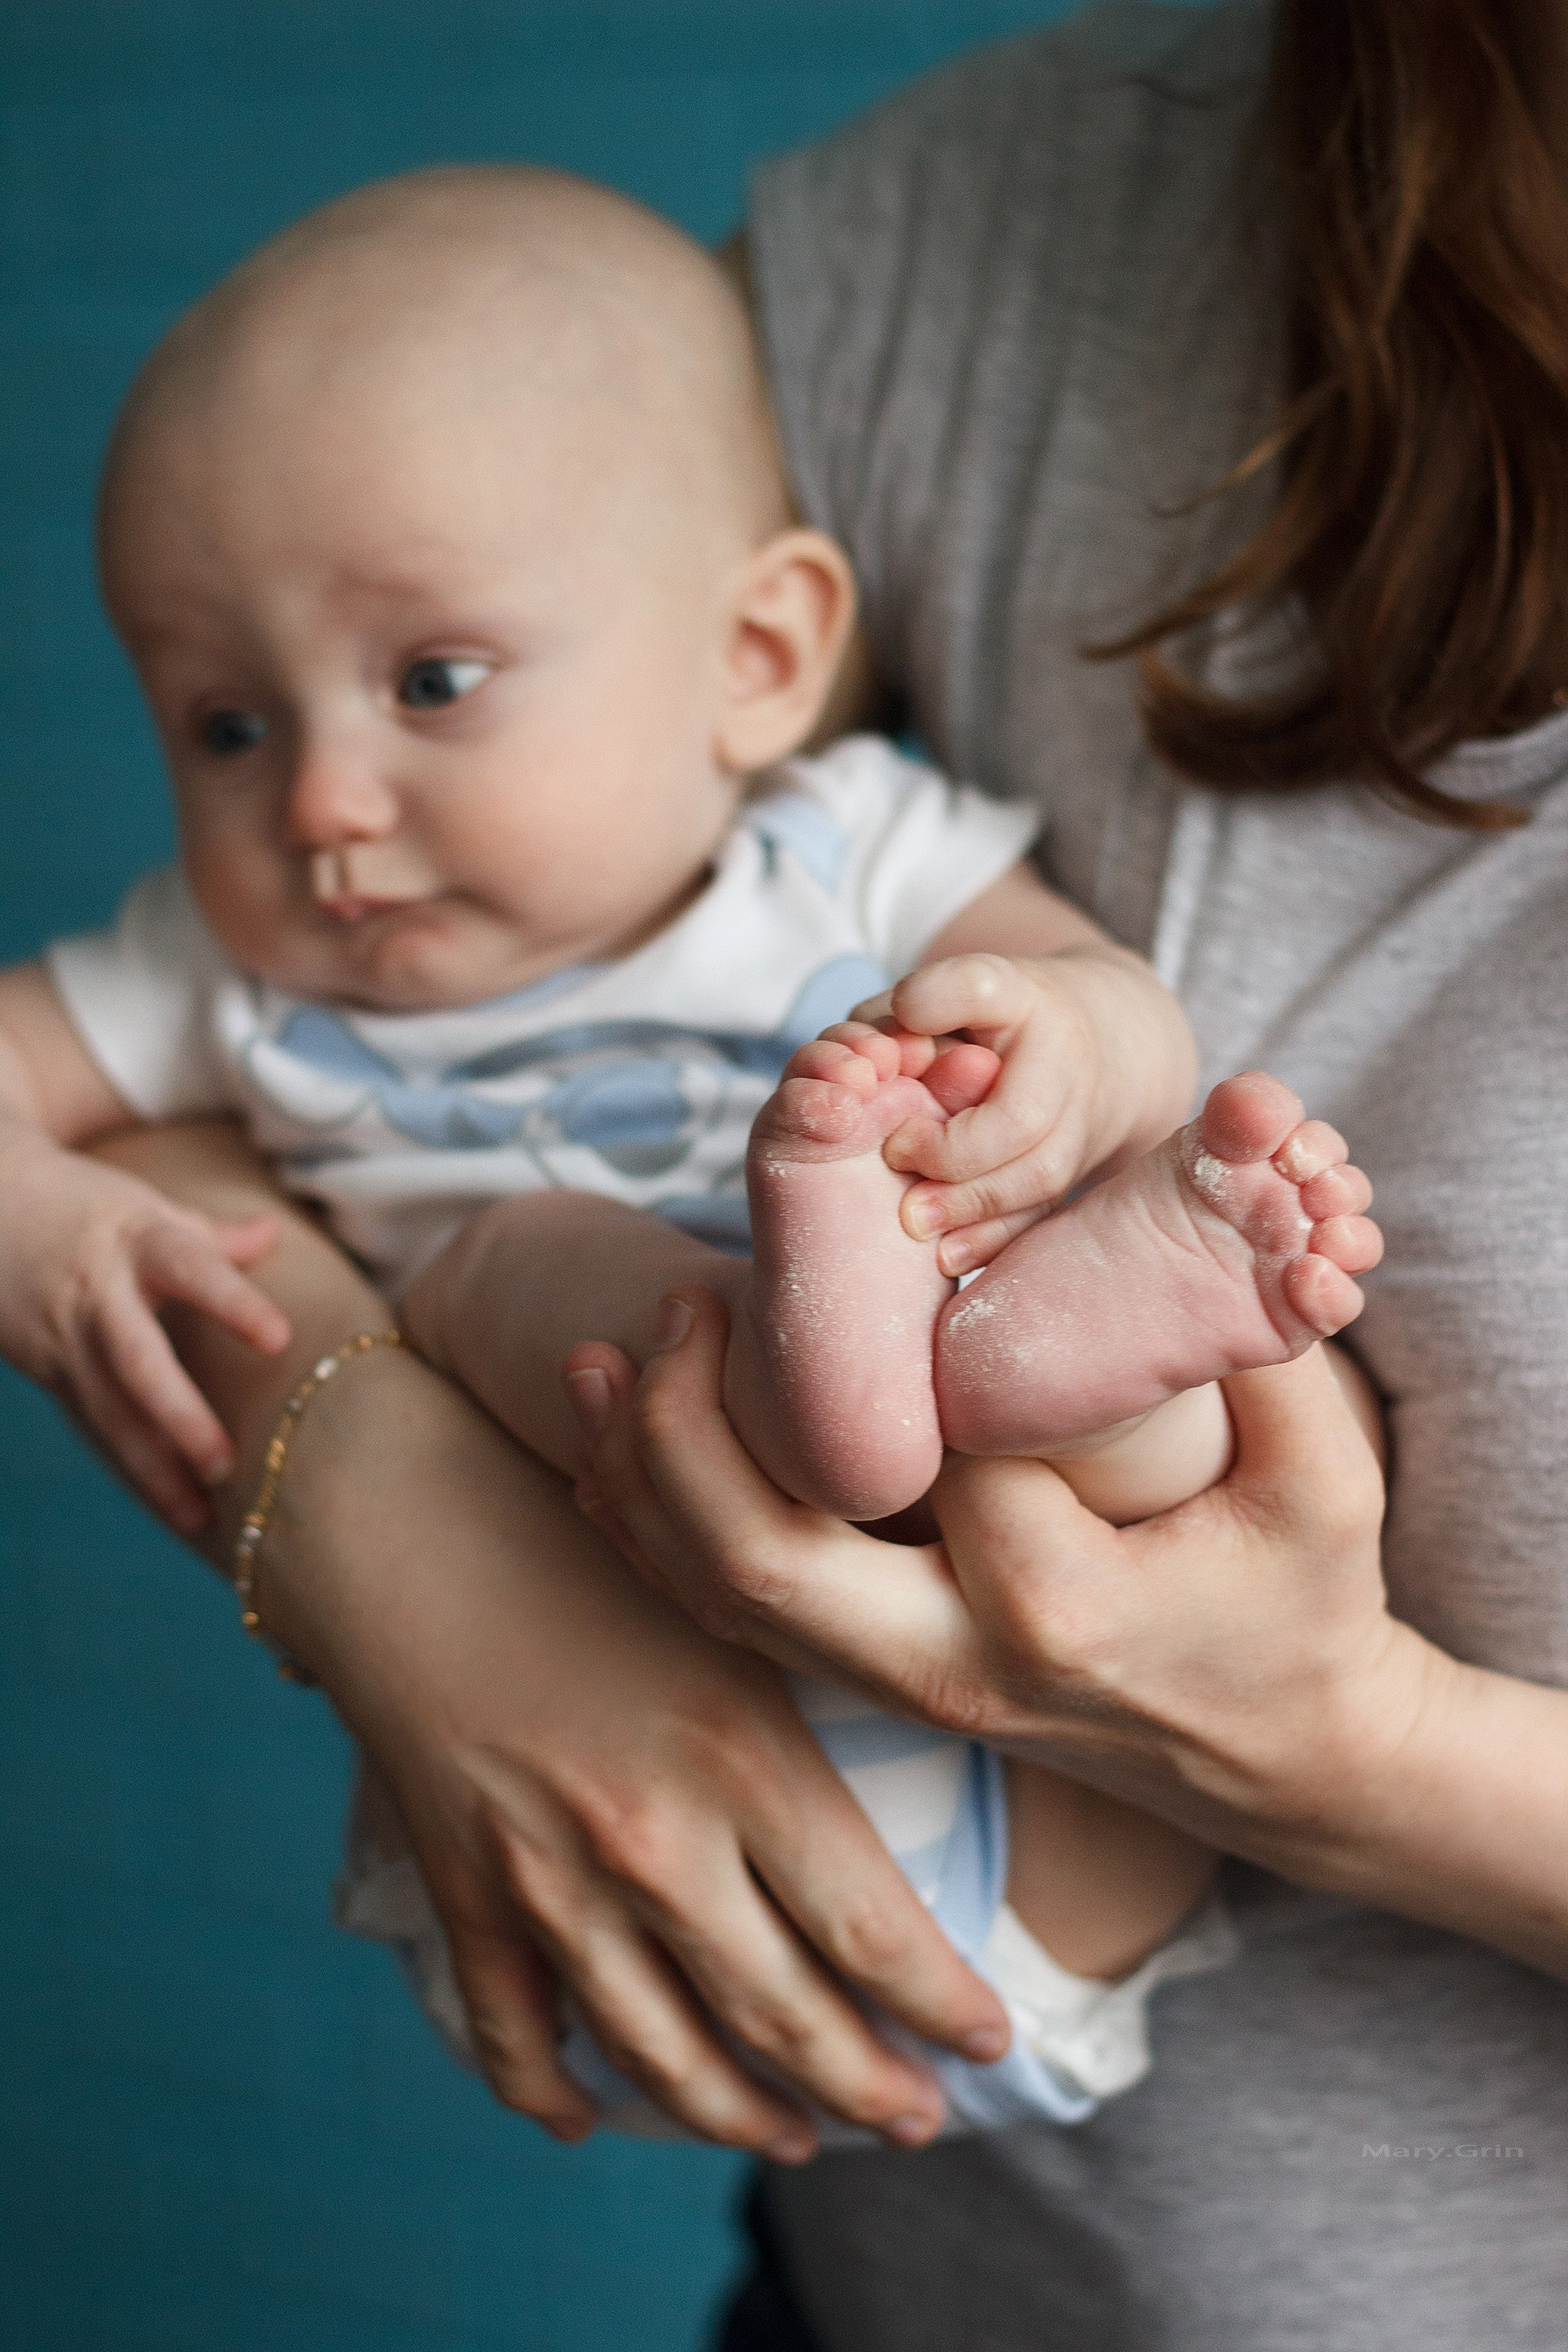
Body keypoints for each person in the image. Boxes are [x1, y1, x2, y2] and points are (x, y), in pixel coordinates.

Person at [65, 0, 1568, 2343]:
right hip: (728, 1965)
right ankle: (878, 1343)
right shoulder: (980, 220)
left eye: (424, 690)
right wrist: (338, 1478)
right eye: (217, 724)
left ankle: (981, 1324)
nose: (319, 806)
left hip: (1076, 1875)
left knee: (1140, 1383)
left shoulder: (834, 857)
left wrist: (1059, 1065)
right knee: (529, 1267)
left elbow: (1086, 998)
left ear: (764, 653)